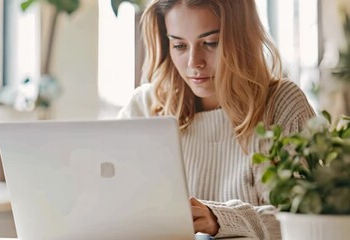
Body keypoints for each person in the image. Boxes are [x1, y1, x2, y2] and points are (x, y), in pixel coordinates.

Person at [117, 0, 316, 239]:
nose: (194, 62)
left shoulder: (282, 103)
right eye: (179, 45)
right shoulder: (144, 107)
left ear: (242, 39)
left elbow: (304, 220)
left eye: (210, 43)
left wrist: (219, 219)